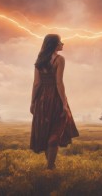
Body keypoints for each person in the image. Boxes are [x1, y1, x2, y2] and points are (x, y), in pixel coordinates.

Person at [30, 34, 79, 170]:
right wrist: (64, 103)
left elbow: (36, 83)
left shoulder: (40, 59)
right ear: (54, 45)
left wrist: (33, 102)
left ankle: (50, 166)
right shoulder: (59, 59)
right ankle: (50, 167)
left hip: (41, 99)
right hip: (55, 98)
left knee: (46, 131)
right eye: (60, 42)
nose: (62, 44)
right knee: (56, 131)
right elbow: (59, 83)